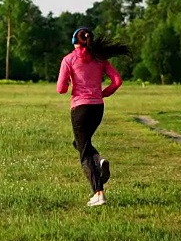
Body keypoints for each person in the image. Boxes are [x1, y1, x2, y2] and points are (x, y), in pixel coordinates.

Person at [56, 27, 130, 207]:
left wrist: (69, 85)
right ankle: (99, 165)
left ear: (74, 42)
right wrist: (103, 94)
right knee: (80, 144)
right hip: (98, 108)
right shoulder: (100, 60)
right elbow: (117, 81)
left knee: (84, 152)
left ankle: (99, 194)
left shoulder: (68, 60)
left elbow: (61, 89)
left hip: (80, 109)